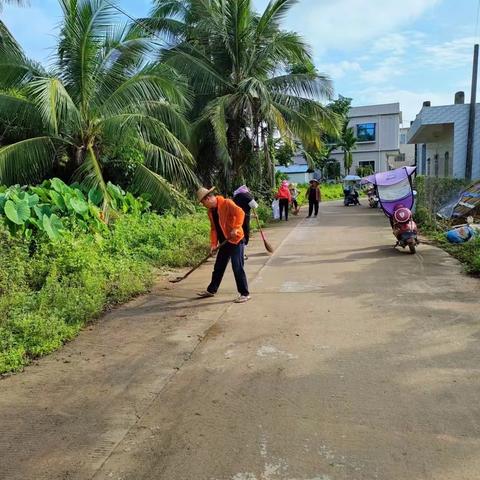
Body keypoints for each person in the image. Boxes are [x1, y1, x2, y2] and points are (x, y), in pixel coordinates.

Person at [196, 187, 250, 303]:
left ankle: (244, 293)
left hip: (235, 240)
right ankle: (211, 290)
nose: (203, 205)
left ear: (209, 198)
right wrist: (213, 245)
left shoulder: (227, 203)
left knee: (237, 267)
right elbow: (214, 229)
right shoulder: (210, 212)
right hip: (224, 243)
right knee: (218, 267)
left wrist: (236, 227)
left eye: (203, 202)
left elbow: (241, 212)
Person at [233, 185, 258, 259]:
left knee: (238, 235)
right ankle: (241, 254)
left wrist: (252, 215)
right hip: (244, 218)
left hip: (235, 219)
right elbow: (255, 206)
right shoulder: (248, 195)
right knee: (245, 234)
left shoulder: (236, 196)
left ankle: (237, 253)